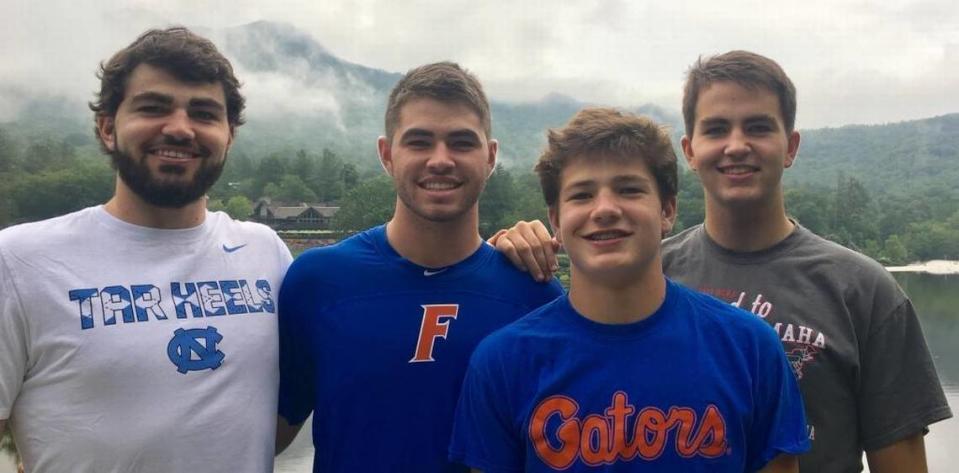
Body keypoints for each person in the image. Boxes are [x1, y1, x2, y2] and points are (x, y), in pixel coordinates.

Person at [492, 51, 953, 473]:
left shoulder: (864, 289)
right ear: (689, 150)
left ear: (790, 146)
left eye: (758, 127)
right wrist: (506, 257)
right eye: (716, 129)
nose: (736, 145)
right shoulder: (641, 273)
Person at [451, 107, 808, 472]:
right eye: (582, 195)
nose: (605, 209)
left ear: (667, 210)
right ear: (556, 220)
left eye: (629, 189)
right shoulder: (503, 362)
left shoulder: (749, 349)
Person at [0, 27, 292, 472]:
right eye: (153, 108)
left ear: (229, 135)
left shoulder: (266, 252)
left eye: (204, 113)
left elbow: (281, 415)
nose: (179, 128)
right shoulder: (19, 261)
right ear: (107, 128)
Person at [274, 62, 564, 473]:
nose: (440, 160)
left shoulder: (537, 295)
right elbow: (268, 434)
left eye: (462, 142)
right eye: (419, 141)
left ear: (491, 156)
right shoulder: (317, 282)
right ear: (387, 155)